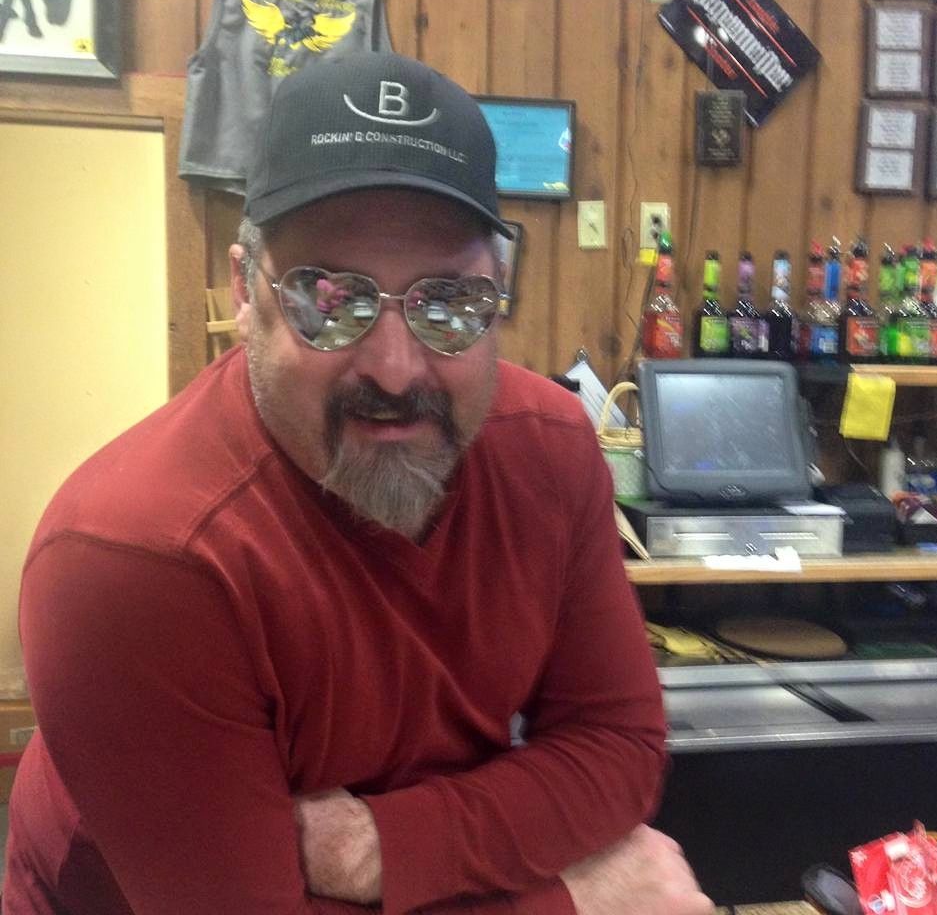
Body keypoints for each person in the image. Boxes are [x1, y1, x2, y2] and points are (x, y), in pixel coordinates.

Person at [4, 51, 713, 915]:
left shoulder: (553, 449)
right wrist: (574, 901)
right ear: (245, 291)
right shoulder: (136, 557)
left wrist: (387, 846)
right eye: (330, 299)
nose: (394, 368)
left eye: (449, 303)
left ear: (498, 294)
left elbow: (618, 745)